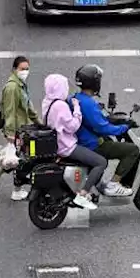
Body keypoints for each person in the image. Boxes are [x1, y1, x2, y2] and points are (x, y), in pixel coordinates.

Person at [72, 64, 140, 197]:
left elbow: (96, 120)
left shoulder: (76, 98)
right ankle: (114, 184)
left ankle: (98, 183)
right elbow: (102, 127)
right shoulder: (88, 103)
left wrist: (110, 119)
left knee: (109, 142)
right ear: (94, 83)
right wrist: (124, 127)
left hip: (81, 140)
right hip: (92, 144)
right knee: (132, 150)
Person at [41, 74, 100, 211]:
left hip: (55, 144)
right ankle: (83, 194)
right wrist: (77, 108)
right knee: (100, 162)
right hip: (66, 146)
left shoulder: (47, 101)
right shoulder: (61, 106)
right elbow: (73, 126)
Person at [0, 55, 38, 201]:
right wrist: (10, 133)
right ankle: (16, 190)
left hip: (23, 129)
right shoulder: (12, 87)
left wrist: (39, 122)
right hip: (17, 131)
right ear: (14, 69)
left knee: (20, 158)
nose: (25, 71)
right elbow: (10, 112)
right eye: (22, 69)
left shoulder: (21, 84)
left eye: (27, 69)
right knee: (26, 158)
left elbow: (28, 106)